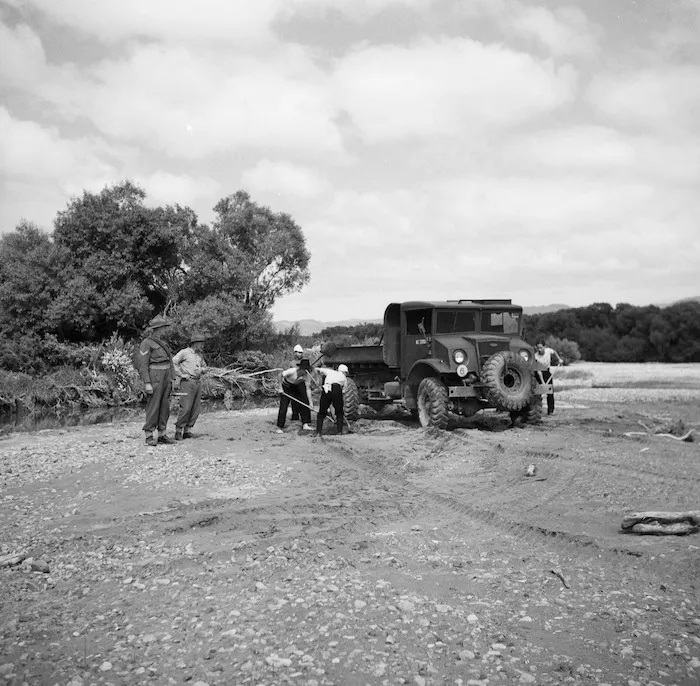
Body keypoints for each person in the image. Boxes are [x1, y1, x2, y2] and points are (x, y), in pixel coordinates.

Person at [136, 315, 176, 446]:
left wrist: (173, 378)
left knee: (165, 406)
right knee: (153, 406)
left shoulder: (163, 343)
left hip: (166, 376)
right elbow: (143, 365)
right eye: (164, 327)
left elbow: (170, 361)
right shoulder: (146, 343)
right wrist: (147, 383)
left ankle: (162, 434)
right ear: (158, 328)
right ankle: (149, 435)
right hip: (155, 376)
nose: (165, 329)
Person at [172, 333, 207, 440]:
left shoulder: (199, 355)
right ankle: (178, 430)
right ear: (195, 343)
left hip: (197, 382)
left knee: (195, 408)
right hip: (187, 382)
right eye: (201, 343)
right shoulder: (184, 353)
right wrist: (181, 374)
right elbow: (173, 362)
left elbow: (204, 366)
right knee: (186, 407)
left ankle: (187, 430)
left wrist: (203, 370)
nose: (202, 345)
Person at [277, 358, 314, 433]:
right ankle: (280, 426)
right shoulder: (292, 371)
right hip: (286, 386)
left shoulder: (306, 376)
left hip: (296, 386)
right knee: (283, 407)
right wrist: (280, 388)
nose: (306, 372)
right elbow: (280, 375)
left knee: (304, 402)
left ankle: (305, 424)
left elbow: (308, 389)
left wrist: (311, 403)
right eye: (304, 369)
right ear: (300, 368)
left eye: (307, 370)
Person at [315, 364, 348, 436]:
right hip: (337, 389)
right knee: (339, 412)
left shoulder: (330, 371)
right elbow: (344, 392)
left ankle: (318, 432)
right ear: (345, 372)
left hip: (326, 388)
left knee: (321, 412)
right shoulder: (344, 378)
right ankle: (339, 431)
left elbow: (318, 369)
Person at [534, 340, 563, 415]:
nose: (539, 349)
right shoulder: (536, 356)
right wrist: (543, 383)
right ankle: (537, 411)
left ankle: (550, 411)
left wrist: (559, 359)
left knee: (550, 392)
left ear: (544, 347)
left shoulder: (548, 351)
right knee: (538, 393)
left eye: (541, 347)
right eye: (538, 348)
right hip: (538, 373)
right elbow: (538, 371)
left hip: (547, 372)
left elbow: (554, 352)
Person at [290, 344, 307, 422]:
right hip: (293, 383)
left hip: (302, 382)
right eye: (298, 352)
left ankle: (305, 418)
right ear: (295, 353)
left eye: (301, 353)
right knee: (294, 401)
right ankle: (295, 415)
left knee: (304, 400)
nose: (300, 354)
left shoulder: (305, 362)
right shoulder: (292, 363)